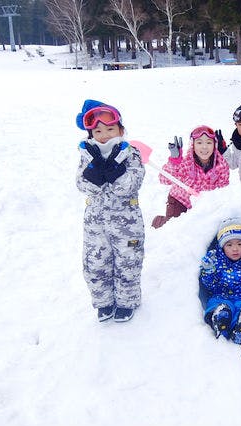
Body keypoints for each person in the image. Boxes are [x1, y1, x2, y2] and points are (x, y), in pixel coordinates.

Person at [75, 99, 145, 322]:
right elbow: (81, 185)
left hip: (127, 224)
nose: (104, 134)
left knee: (128, 262)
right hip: (96, 223)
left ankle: (126, 302)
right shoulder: (87, 155)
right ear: (90, 133)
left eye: (110, 129)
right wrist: (93, 174)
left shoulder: (130, 153)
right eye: (97, 130)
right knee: (95, 264)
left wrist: (115, 171)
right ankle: (103, 302)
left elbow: (130, 185)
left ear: (121, 130)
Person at [152, 125, 230, 228]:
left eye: (209, 142)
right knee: (174, 228)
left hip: (204, 203)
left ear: (214, 145)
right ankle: (159, 221)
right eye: (199, 142)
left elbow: (224, 189)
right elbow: (164, 179)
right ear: (193, 145)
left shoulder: (221, 165)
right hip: (180, 201)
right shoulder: (185, 162)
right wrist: (174, 162)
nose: (204, 147)